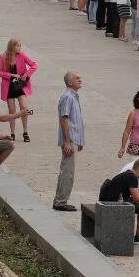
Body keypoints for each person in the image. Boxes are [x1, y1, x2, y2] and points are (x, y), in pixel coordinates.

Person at [98, 158, 139, 245]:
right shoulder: (132, 177)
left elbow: (134, 194)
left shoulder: (128, 174)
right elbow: (137, 197)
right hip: (114, 204)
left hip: (111, 201)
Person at [52, 71, 85, 212]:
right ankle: (60, 201)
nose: (80, 79)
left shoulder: (73, 96)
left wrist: (80, 140)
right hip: (68, 139)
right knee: (67, 172)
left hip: (72, 139)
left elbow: (75, 120)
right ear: (70, 82)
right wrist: (67, 141)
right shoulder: (67, 97)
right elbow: (64, 119)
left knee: (68, 170)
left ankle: (60, 200)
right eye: (77, 78)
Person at [0, 39, 36, 143]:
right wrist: (11, 75)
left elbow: (34, 65)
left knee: (24, 107)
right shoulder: (3, 57)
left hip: (20, 85)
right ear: (12, 47)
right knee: (12, 110)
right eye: (17, 46)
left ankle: (25, 132)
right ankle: (12, 133)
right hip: (9, 86)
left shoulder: (21, 55)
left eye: (20, 46)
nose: (19, 48)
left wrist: (26, 75)